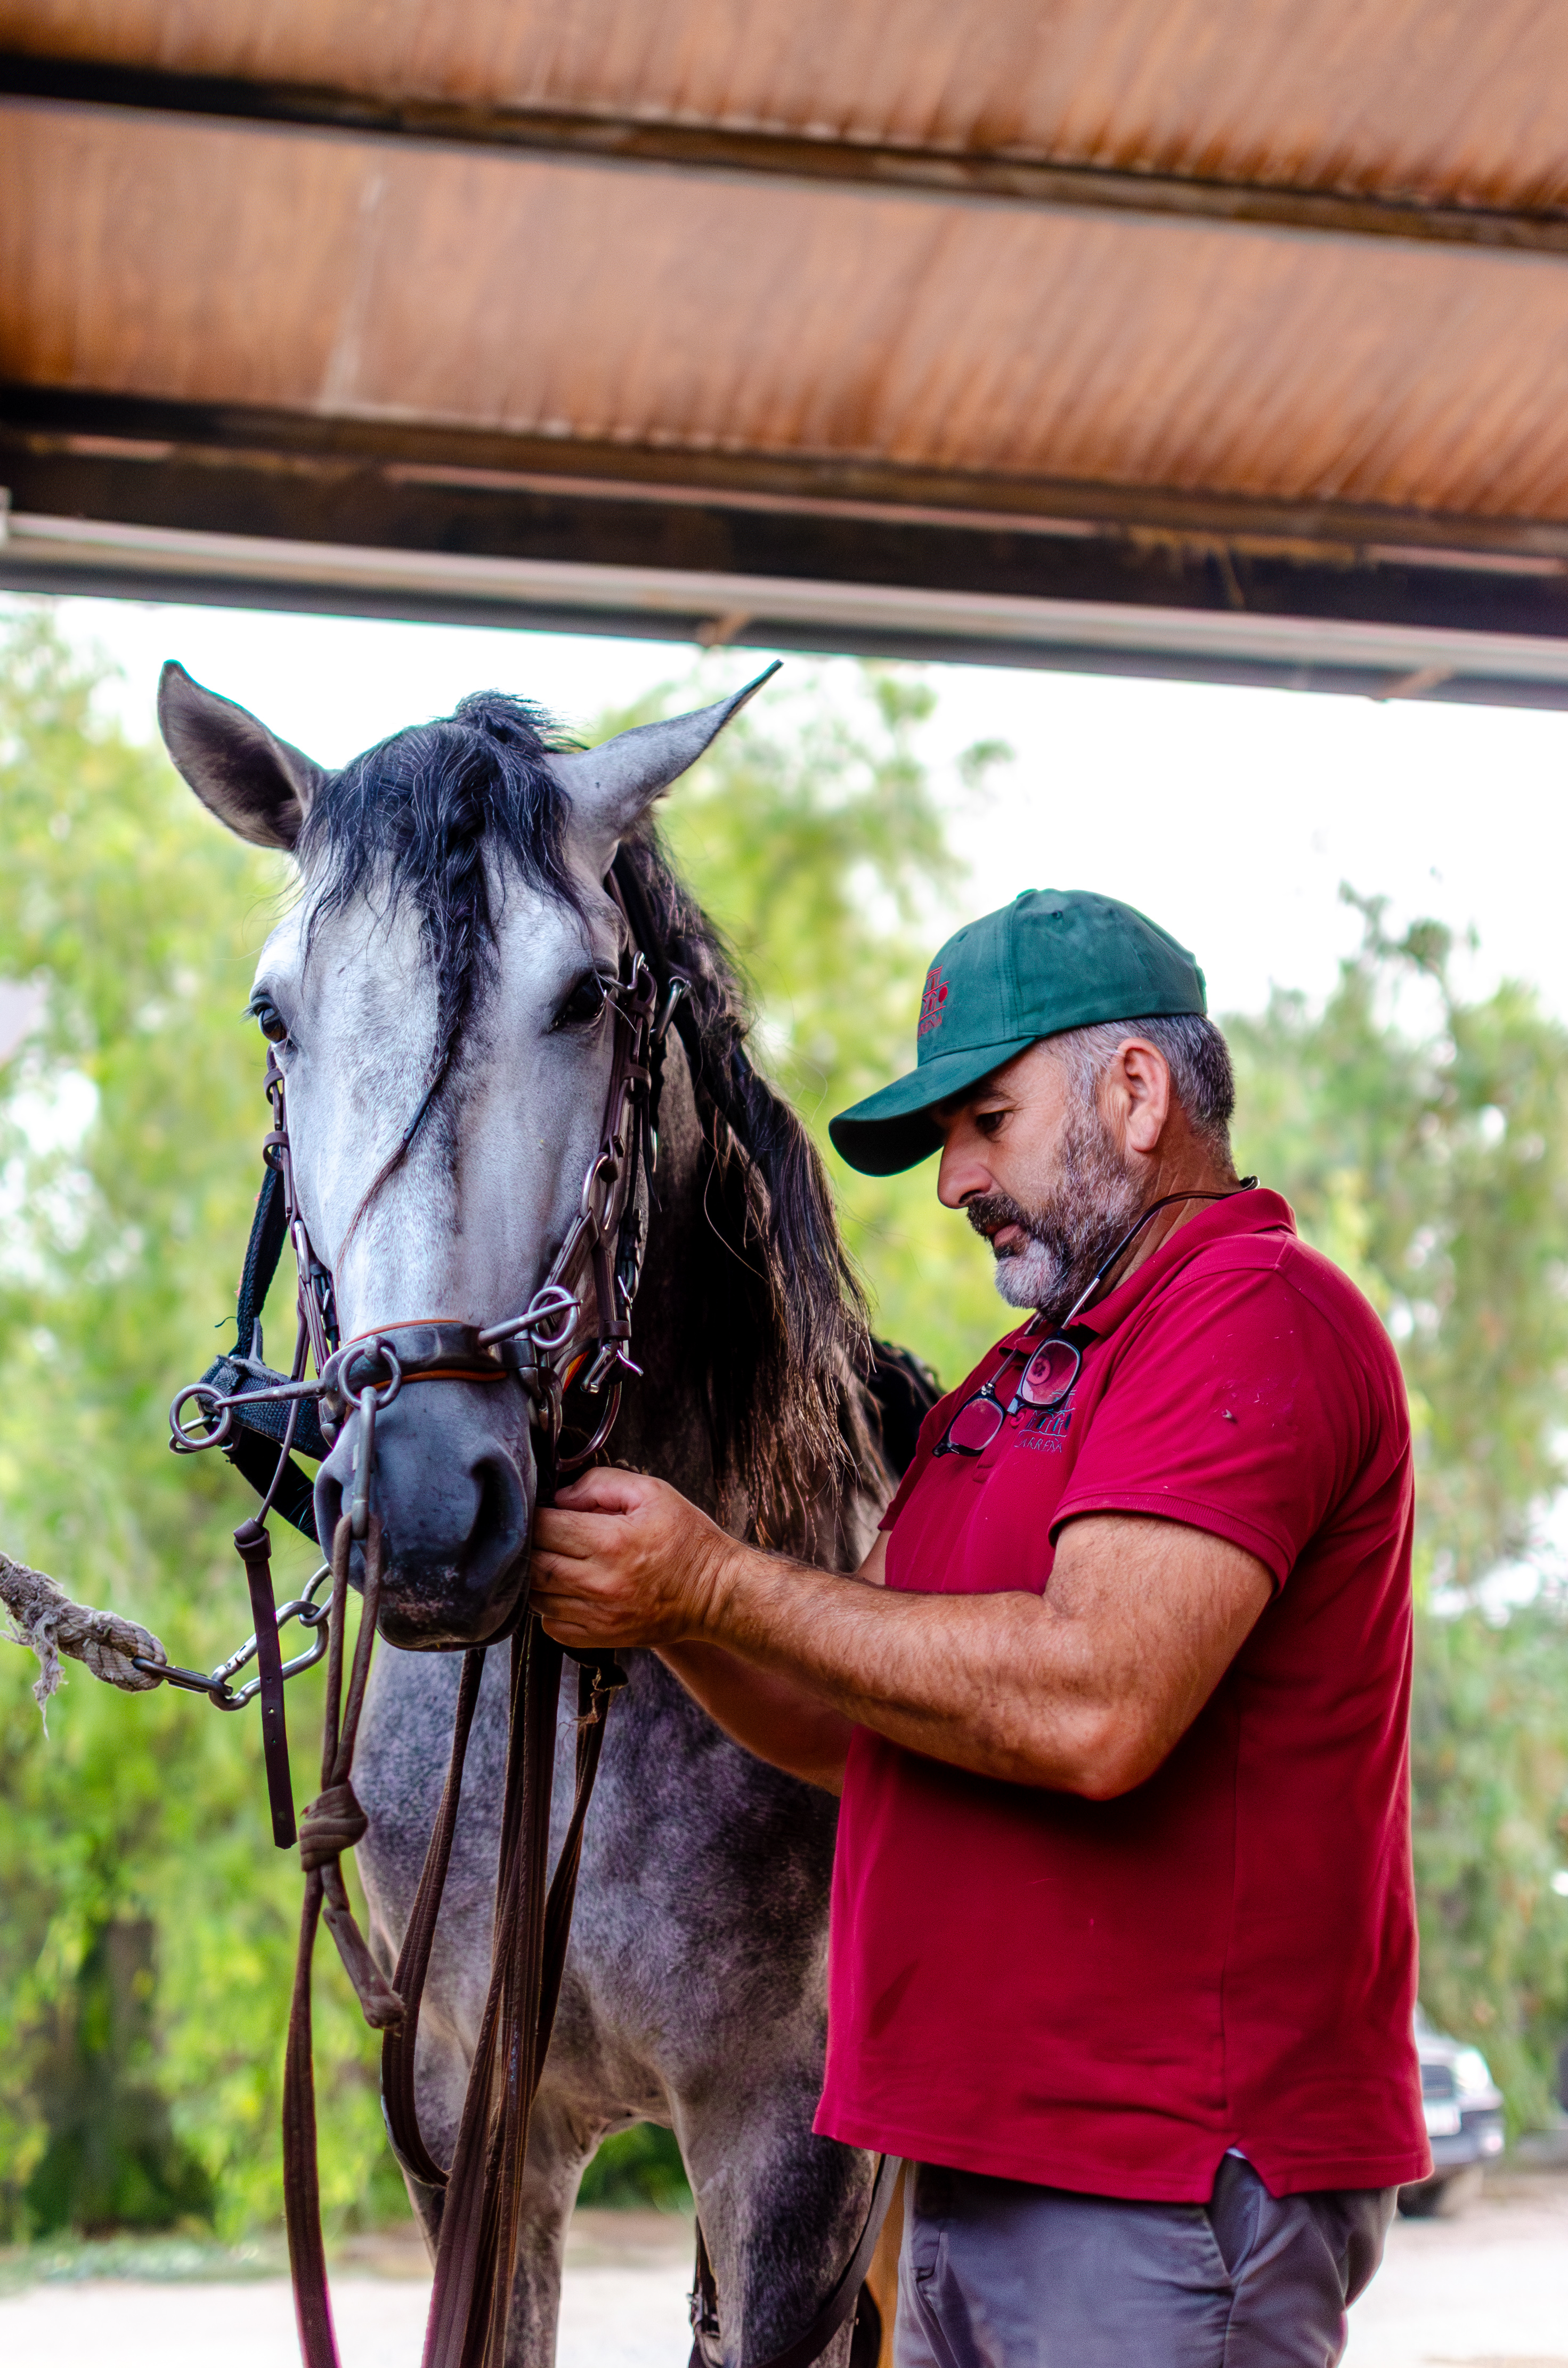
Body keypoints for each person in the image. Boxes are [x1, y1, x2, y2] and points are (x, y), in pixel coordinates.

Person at [531, 888, 1429, 2366]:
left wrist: (716, 1580)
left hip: (1162, 2181)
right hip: (974, 2165)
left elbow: (1094, 1704)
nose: (953, 1179)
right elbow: (853, 1714)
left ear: (1136, 1092)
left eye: (985, 1121)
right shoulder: (1014, 1382)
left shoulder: (1254, 1313)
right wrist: (655, 1609)